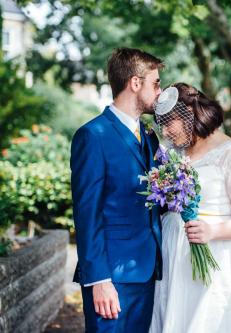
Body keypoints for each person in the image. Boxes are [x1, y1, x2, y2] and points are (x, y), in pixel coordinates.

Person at [149, 83, 231, 333]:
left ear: (190, 114)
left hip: (216, 257)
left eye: (169, 123)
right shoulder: (174, 153)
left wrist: (213, 231)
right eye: (161, 124)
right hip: (173, 255)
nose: (165, 132)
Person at [70, 47, 163, 332]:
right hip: (112, 277)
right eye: (155, 83)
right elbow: (88, 214)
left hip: (146, 271)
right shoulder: (93, 135)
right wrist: (99, 280)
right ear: (135, 83)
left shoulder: (149, 137)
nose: (160, 91)